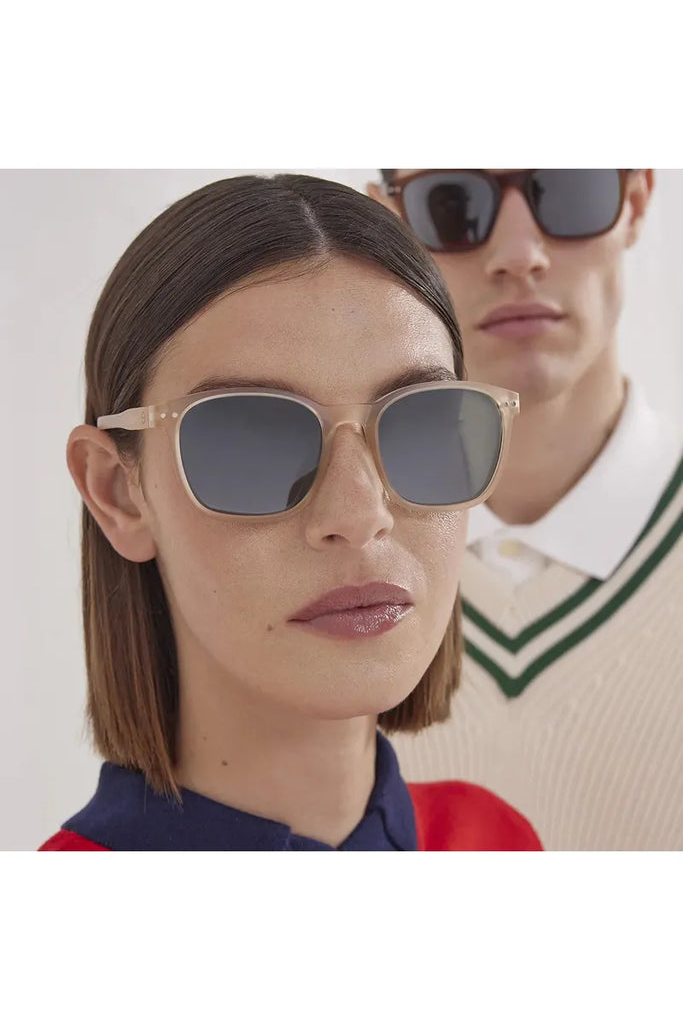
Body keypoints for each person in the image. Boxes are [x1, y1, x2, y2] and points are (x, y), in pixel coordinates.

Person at [38, 174, 542, 852]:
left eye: (419, 425)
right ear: (118, 493)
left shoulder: (497, 843)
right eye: (254, 440)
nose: (361, 514)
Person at [368, 169, 683, 850]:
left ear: (634, 200)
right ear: (390, 225)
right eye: (452, 204)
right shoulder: (323, 559)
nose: (518, 252)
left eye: (567, 190)